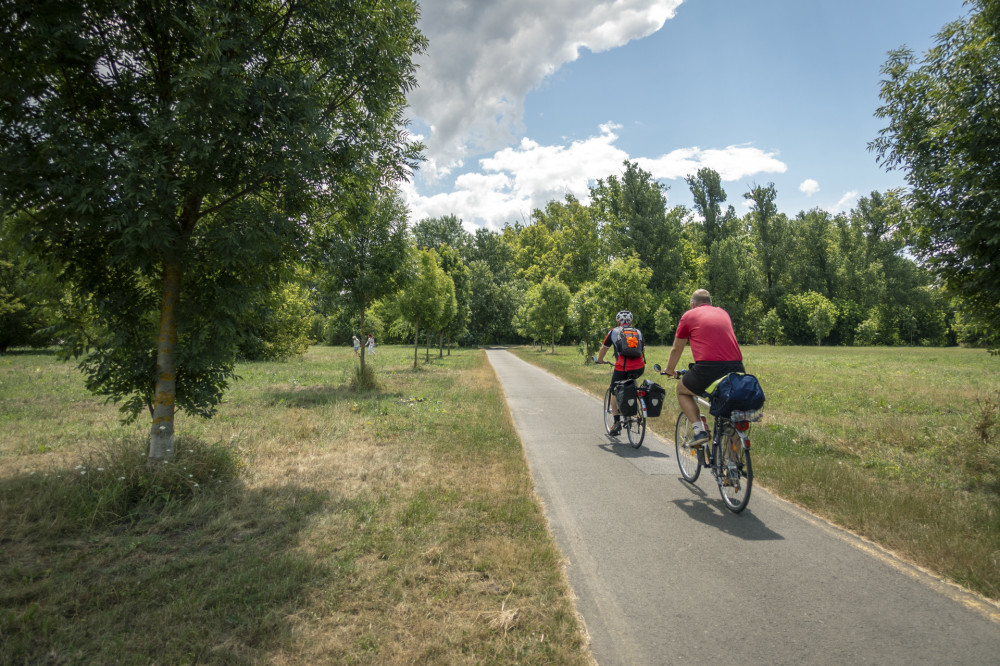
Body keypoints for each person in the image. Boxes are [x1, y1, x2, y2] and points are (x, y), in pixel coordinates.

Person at [663, 289, 745, 447]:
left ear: (692, 304)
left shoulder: (689, 315)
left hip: (708, 368)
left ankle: (699, 430)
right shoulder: (723, 313)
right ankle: (733, 467)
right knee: (729, 414)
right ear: (710, 303)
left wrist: (669, 370)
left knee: (682, 390)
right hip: (737, 367)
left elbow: (676, 349)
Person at [596, 310, 645, 436]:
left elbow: (603, 349)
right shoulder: (638, 332)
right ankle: (635, 399)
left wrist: (600, 360)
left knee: (614, 391)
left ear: (618, 321)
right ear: (631, 321)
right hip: (639, 368)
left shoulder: (613, 331)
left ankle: (616, 422)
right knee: (633, 382)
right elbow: (643, 349)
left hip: (622, 367)